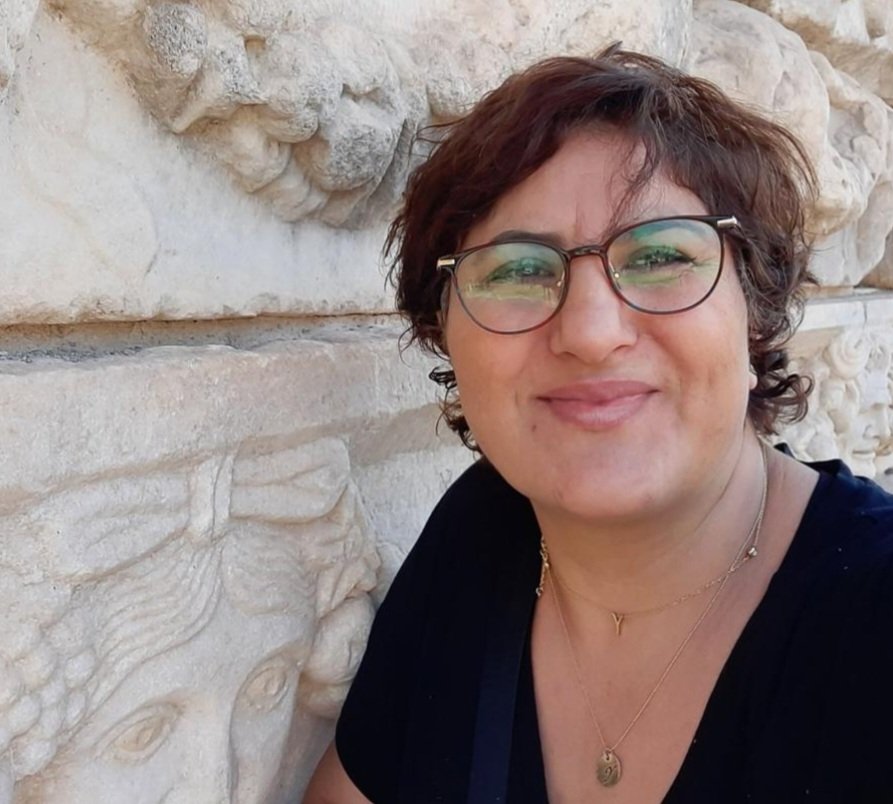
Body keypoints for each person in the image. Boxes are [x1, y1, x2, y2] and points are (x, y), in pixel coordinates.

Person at [305, 45, 893, 803]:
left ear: (755, 316)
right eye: (518, 269)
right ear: (445, 335)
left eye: (660, 256)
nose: (589, 332)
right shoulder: (482, 536)